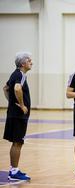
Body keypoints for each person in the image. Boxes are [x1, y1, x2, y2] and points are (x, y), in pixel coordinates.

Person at [3, 52, 33, 180]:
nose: (32, 62)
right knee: (17, 142)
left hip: (14, 114)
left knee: (16, 142)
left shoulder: (16, 74)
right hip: (18, 115)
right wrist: (21, 105)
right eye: (29, 60)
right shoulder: (20, 74)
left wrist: (11, 103)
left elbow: (5, 88)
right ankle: (14, 172)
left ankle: (13, 170)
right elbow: (16, 88)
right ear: (22, 64)